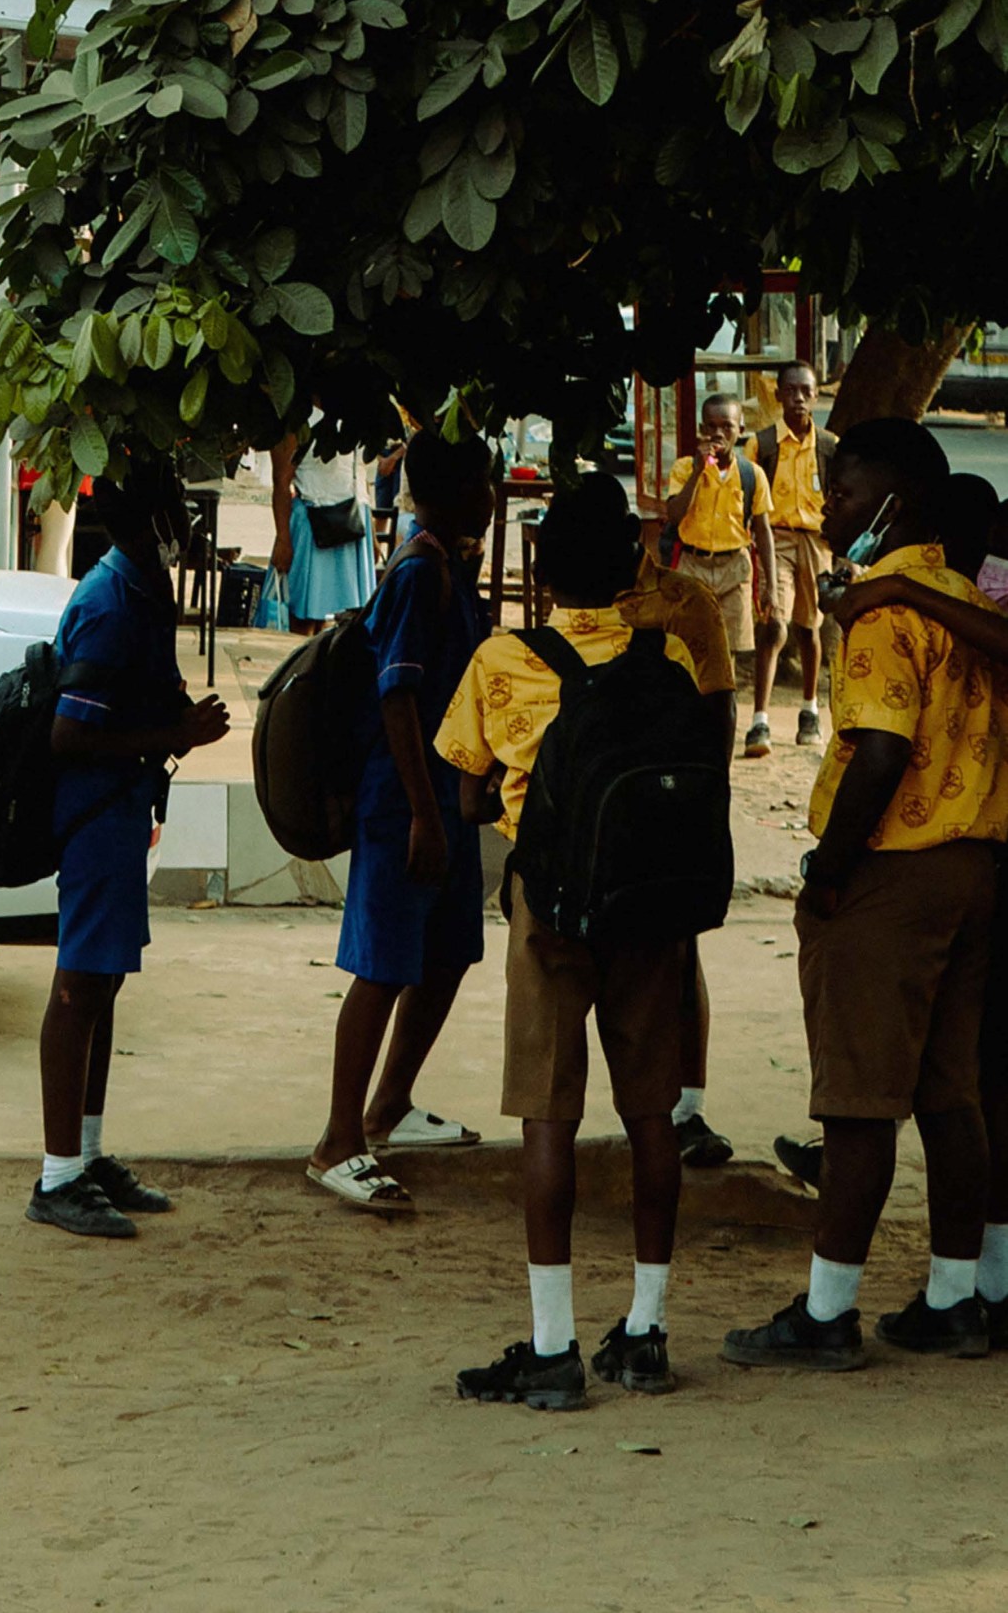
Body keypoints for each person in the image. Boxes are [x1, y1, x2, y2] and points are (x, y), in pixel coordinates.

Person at [723, 420, 1008, 1371]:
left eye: (843, 493)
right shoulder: (966, 596)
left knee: (856, 1099)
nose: (827, 505)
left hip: (892, 863)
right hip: (973, 867)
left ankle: (828, 1310)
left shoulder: (886, 611)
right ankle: (955, 1297)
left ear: (896, 500)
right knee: (950, 1092)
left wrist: (829, 870)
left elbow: (879, 748)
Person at [435, 476, 702, 1410]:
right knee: (651, 1115)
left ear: (540, 569)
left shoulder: (501, 658)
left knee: (546, 1117)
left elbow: (468, 790)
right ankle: (648, 1330)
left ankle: (553, 1345)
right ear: (633, 562)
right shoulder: (669, 653)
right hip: (651, 906)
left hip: (550, 907)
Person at [29, 459, 230, 1239]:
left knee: (102, 982)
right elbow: (70, 732)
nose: (184, 520)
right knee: (79, 986)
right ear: (149, 520)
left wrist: (172, 716)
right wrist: (173, 734)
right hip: (96, 811)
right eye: (172, 506)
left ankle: (83, 1153)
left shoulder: (139, 584)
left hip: (119, 806)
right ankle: (56, 1176)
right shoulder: (114, 600)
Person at [306, 433, 494, 1211]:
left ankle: (390, 1103)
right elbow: (397, 696)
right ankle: (337, 1139)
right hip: (406, 801)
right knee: (382, 965)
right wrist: (422, 812)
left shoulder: (445, 565)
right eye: (481, 484)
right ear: (451, 492)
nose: (491, 497)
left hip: (445, 799)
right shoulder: (419, 574)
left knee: (445, 954)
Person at [616, 519, 738, 1168]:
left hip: (670, 799)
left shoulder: (686, 602)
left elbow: (718, 703)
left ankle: (686, 1105)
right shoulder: (572, 605)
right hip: (598, 809)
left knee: (677, 954)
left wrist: (707, 798)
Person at [746, 363, 836, 757]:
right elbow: (747, 496)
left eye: (806, 391)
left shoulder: (829, 446)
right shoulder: (763, 445)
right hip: (775, 539)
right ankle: (760, 720)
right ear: (778, 395)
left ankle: (809, 710)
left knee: (809, 629)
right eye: (791, 391)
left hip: (816, 543)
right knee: (774, 624)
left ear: (816, 396)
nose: (798, 398)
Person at [665, 393, 777, 680]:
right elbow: (675, 515)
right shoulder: (684, 468)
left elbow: (763, 531)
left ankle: (722, 717)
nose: (718, 433)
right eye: (711, 426)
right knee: (689, 646)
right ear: (702, 429)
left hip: (734, 568)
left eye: (726, 426)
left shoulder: (752, 474)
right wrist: (698, 473)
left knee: (726, 653)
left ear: (740, 430)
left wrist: (771, 587)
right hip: (693, 566)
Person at [270, 415, 376, 633]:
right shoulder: (296, 420)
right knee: (303, 619)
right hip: (312, 523)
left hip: (352, 521)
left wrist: (372, 532)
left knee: (347, 621)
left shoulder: (353, 415)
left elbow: (359, 474)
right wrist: (283, 539)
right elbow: (281, 481)